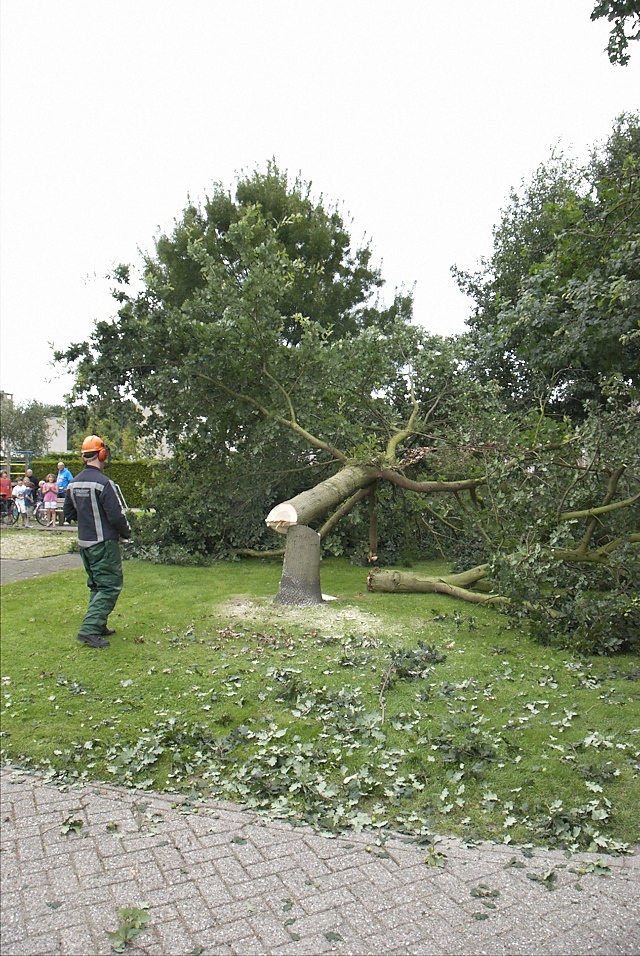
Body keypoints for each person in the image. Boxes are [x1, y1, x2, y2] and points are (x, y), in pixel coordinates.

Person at [64, 435, 131, 649]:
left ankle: (99, 623)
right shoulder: (104, 483)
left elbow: (68, 513)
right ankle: (89, 629)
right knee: (110, 586)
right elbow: (116, 516)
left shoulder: (73, 483)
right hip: (103, 543)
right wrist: (127, 534)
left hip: (84, 542)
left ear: (84, 457)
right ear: (102, 454)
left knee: (96, 585)